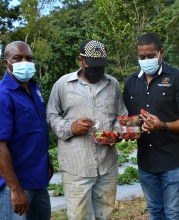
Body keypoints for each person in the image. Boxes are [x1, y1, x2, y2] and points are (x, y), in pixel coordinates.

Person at [46, 39, 127, 220]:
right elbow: (50, 116)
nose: (96, 70)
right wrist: (71, 127)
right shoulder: (63, 85)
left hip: (107, 165)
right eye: (92, 65)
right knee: (78, 216)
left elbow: (121, 116)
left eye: (100, 66)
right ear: (80, 61)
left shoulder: (112, 84)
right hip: (76, 166)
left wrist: (116, 134)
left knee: (104, 214)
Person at [123, 33, 179, 219]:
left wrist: (162, 125)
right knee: (155, 211)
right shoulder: (131, 82)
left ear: (161, 52)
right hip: (146, 160)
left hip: (173, 159)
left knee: (173, 212)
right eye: (142, 57)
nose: (146, 60)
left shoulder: (178, 78)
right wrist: (127, 131)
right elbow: (130, 119)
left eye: (150, 56)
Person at [0, 41, 53, 219]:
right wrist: (15, 189)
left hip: (37, 175)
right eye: (18, 58)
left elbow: (36, 131)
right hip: (14, 183)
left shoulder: (33, 88)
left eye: (29, 58)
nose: (25, 62)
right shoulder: (0, 96)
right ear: (7, 63)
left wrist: (47, 159)